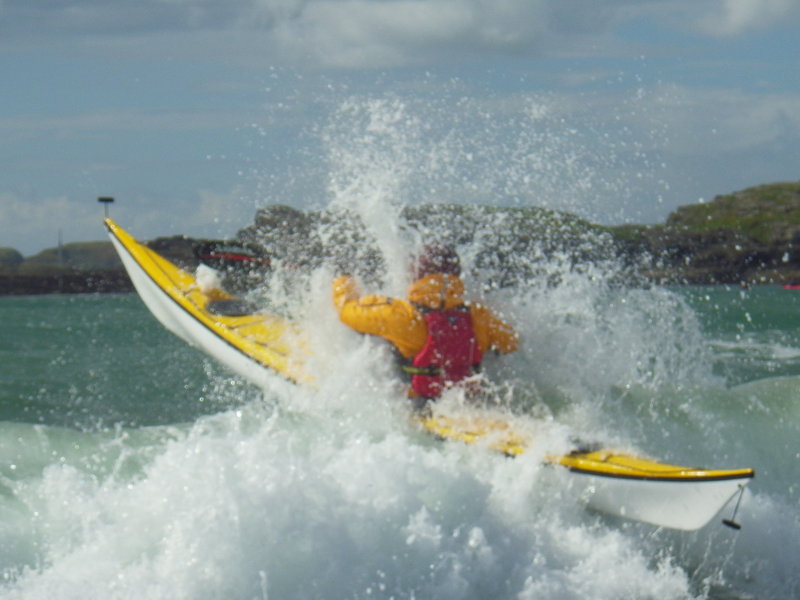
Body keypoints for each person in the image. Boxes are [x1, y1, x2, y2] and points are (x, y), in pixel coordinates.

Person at [332, 243, 519, 407]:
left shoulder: (400, 315)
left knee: (367, 337)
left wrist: (343, 279)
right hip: (464, 400)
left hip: (414, 402)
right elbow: (511, 343)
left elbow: (346, 311)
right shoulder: (479, 316)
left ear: (416, 273)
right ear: (456, 274)